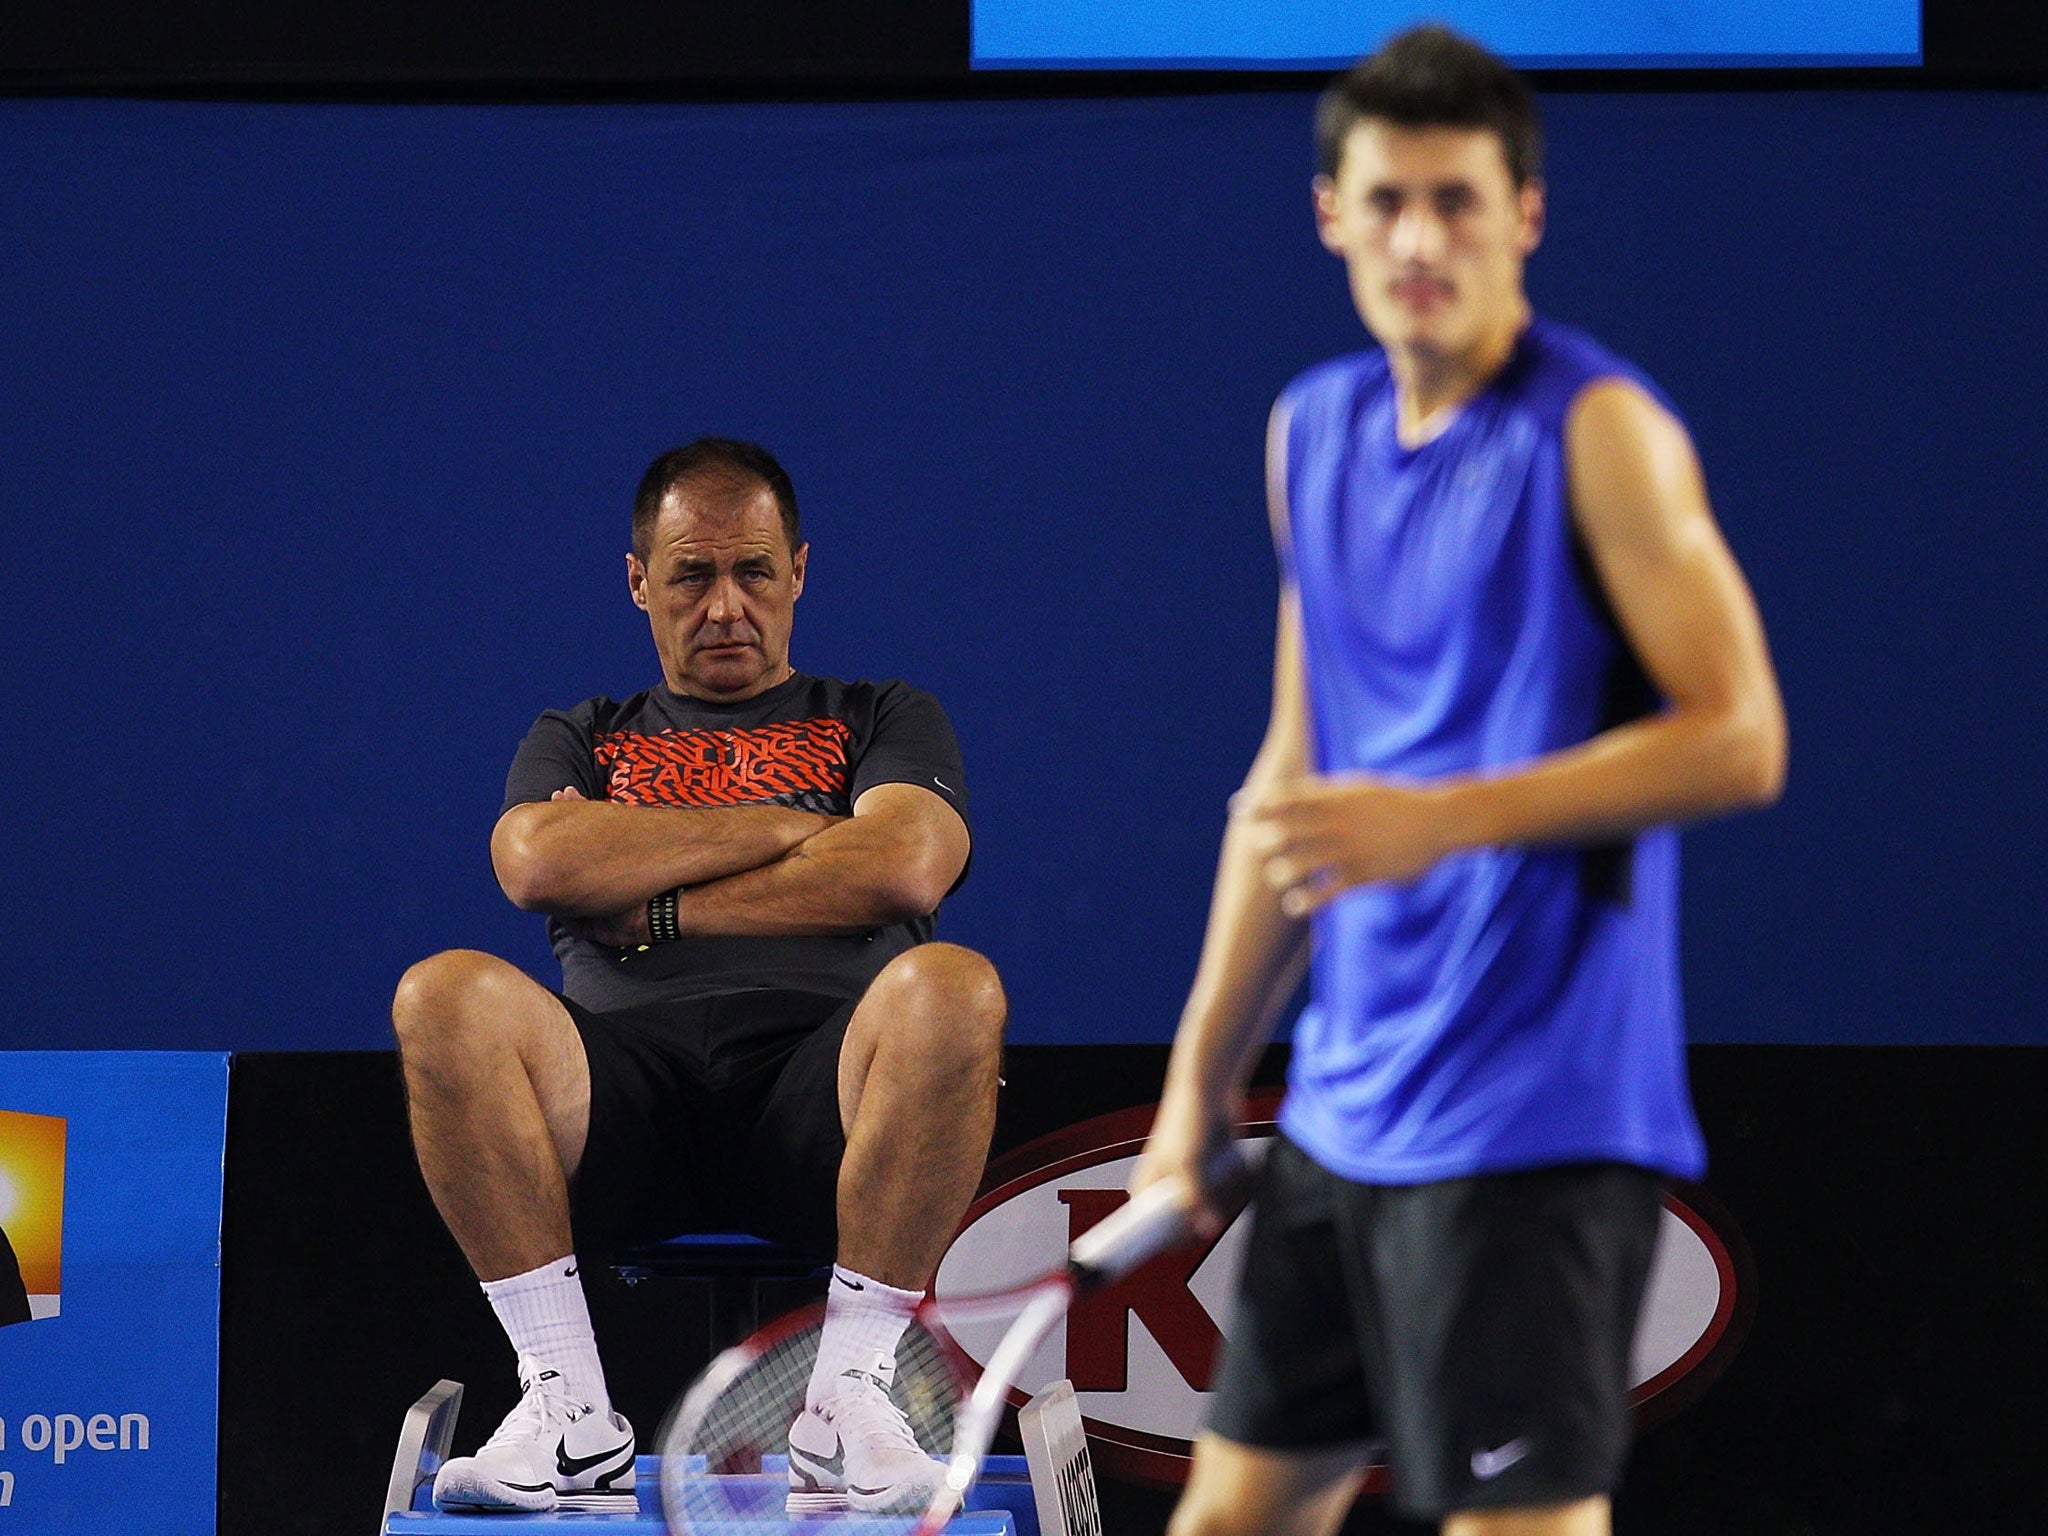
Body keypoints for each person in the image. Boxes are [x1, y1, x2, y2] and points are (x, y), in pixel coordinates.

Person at [1133, 26, 1786, 1536]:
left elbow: (1741, 735)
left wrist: (1443, 817)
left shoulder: (1599, 432)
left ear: (1523, 217)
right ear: (1331, 215)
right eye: (1388, 201)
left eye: (1458, 202)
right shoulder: (1313, 433)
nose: (1420, 239)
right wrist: (1194, 1086)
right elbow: (1291, 784)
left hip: (1536, 1128)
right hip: (1346, 1117)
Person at [392, 437, 1004, 1515]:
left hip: (825, 1101)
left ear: (797, 572)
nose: (724, 605)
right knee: (440, 994)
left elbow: (906, 861)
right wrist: (796, 829)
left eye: (752, 572)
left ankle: (845, 1408)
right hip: (618, 1104)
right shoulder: (579, 735)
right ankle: (569, 1414)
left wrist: (652, 896)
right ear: (639, 582)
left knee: (952, 985)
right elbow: (535, 862)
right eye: (690, 575)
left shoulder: (882, 715)